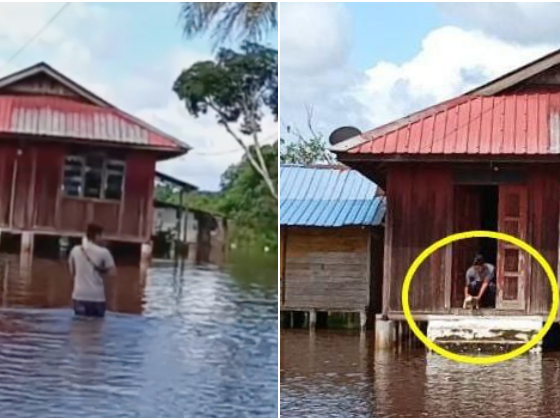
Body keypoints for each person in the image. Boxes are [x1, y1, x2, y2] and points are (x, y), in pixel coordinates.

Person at [68, 223, 116, 317]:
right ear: (97, 236)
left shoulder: (75, 250)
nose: (103, 238)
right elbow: (113, 273)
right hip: (97, 297)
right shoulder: (104, 253)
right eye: (102, 235)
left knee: (79, 325)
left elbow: (72, 272)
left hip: (79, 295)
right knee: (96, 327)